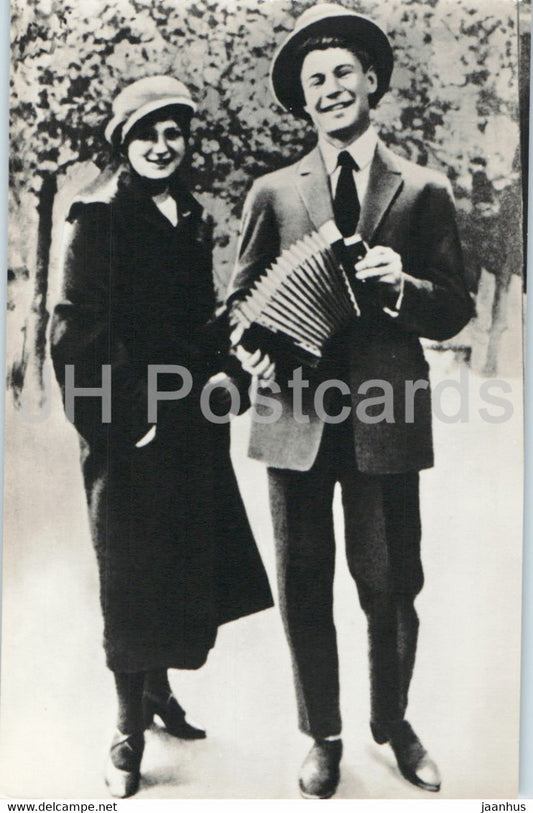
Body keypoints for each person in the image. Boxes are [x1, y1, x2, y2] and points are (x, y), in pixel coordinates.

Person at [227, 4, 472, 799]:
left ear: (371, 81)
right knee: (304, 583)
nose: (329, 90)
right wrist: (249, 340)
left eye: (341, 74)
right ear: (302, 103)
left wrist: (405, 288)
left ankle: (392, 722)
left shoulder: (423, 188)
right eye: (313, 82)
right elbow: (239, 305)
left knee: (392, 580)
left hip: (385, 416)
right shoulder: (271, 191)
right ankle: (322, 734)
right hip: (293, 415)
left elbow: (455, 305)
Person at [50, 75, 273, 799]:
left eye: (173, 132)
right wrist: (132, 414)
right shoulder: (96, 218)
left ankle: (159, 692)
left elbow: (202, 322)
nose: (161, 145)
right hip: (126, 424)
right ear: (124, 142)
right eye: (146, 133)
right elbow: (75, 332)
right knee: (129, 573)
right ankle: (125, 725)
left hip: (188, 426)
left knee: (176, 566)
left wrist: (230, 373)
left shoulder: (194, 217)